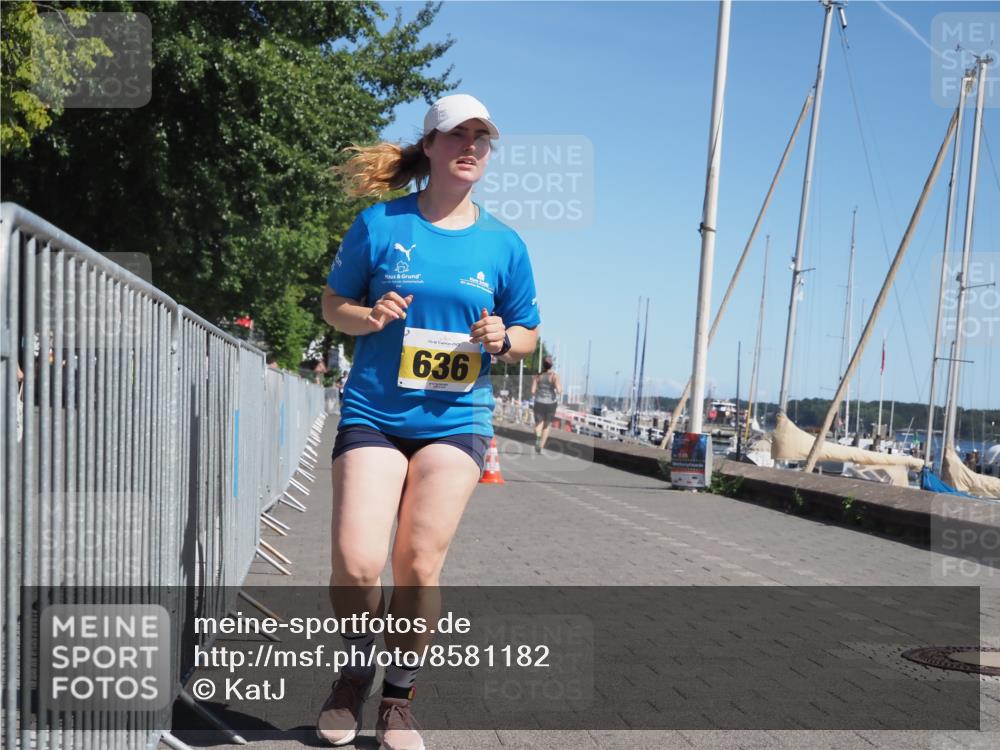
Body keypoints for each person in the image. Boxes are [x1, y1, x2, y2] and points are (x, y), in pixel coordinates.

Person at [317, 93, 540, 750]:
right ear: (431, 146)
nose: (470, 145)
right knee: (357, 563)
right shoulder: (379, 224)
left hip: (455, 420)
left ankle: (398, 697)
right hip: (375, 411)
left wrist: (506, 337)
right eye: (457, 135)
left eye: (481, 137)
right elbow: (332, 304)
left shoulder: (504, 244)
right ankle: (356, 671)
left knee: (416, 563)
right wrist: (367, 317)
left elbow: (528, 332)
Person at [531, 356, 561, 453]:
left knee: (539, 424)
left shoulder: (537, 376)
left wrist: (539, 392)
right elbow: (559, 390)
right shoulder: (554, 376)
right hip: (551, 403)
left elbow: (532, 391)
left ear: (543, 365)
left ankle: (538, 437)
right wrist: (557, 389)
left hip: (539, 402)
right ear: (551, 365)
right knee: (547, 425)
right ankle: (541, 446)